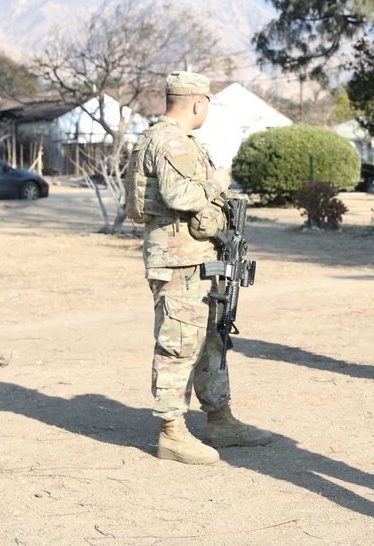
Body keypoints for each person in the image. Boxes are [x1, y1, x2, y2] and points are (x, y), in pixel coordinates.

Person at [125, 71, 271, 465]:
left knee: (212, 339)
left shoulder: (171, 138)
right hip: (178, 261)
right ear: (197, 103)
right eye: (207, 104)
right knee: (179, 344)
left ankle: (219, 419)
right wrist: (217, 183)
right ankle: (171, 433)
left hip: (195, 259)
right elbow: (179, 194)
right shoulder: (171, 140)